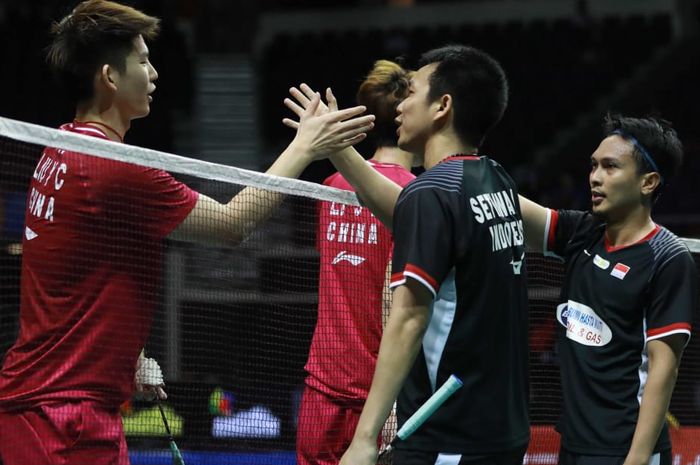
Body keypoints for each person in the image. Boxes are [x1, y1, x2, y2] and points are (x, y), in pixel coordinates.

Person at [0, 1, 374, 464]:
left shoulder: (58, 149)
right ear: (110, 78)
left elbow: (85, 268)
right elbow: (231, 224)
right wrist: (304, 147)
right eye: (141, 60)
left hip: (58, 404)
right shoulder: (116, 166)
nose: (154, 72)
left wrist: (131, 354)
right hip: (61, 419)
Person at [286, 44, 530, 465]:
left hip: (355, 389)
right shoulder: (491, 181)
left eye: (412, 93)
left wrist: (369, 433)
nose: (403, 106)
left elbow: (405, 312)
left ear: (442, 106)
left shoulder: (340, 189)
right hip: (463, 413)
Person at [518, 114, 697, 465]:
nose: (595, 178)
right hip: (573, 441)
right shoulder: (583, 232)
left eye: (610, 167)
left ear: (648, 182)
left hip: (625, 449)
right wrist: (469, 165)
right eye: (593, 166)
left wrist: (637, 458)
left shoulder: (667, 257)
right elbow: (512, 209)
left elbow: (664, 368)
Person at [296, 60, 416, 465]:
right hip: (379, 393)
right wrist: (395, 402)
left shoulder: (333, 185)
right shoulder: (416, 196)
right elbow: (395, 298)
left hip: (322, 383)